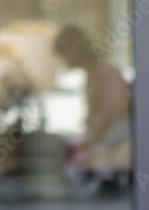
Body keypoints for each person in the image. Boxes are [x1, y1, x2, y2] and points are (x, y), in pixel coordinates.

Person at [53, 26, 132, 183]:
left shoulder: (104, 71)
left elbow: (116, 107)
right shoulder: (94, 71)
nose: (62, 61)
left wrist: (94, 134)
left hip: (116, 139)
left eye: (63, 55)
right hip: (107, 137)